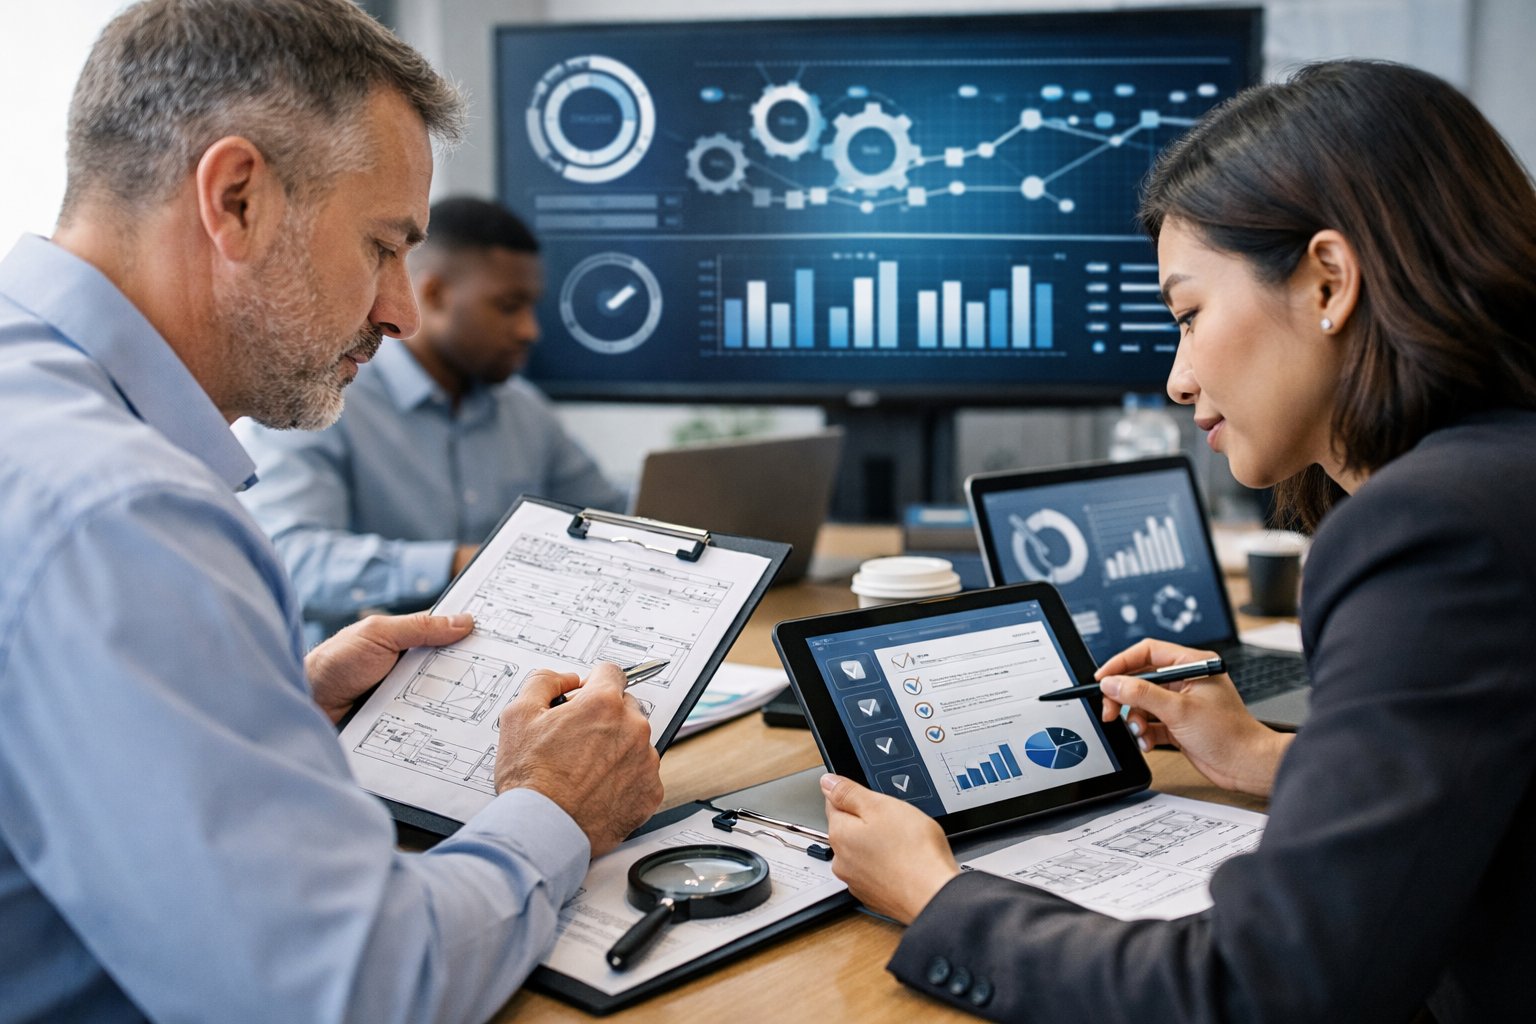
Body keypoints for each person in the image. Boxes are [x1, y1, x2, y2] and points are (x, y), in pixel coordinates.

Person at [818, 59, 1536, 1022]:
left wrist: (937, 896)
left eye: (1190, 315)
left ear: (1329, 281)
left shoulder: (1430, 529)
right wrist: (1271, 761)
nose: (1178, 378)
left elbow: (1264, 992)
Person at [0, 3, 661, 1022]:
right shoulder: (123, 512)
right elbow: (350, 989)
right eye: (382, 247)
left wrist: (269, 700)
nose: (399, 310)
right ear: (237, 199)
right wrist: (554, 807)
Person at [236, 196, 627, 646]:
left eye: (531, 307)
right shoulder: (321, 399)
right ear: (436, 295)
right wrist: (459, 563)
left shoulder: (525, 410)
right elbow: (290, 562)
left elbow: (609, 515)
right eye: (508, 306)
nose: (529, 330)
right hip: (358, 680)